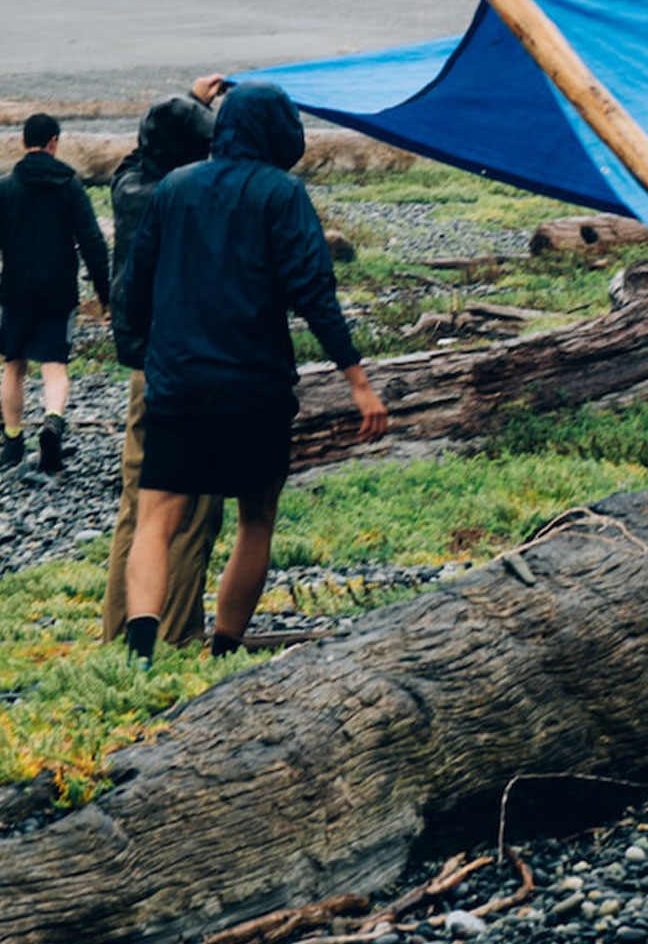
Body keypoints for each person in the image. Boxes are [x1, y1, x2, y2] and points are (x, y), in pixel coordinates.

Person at [122, 80, 387, 662]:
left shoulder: (174, 187)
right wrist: (358, 383)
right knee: (256, 519)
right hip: (255, 387)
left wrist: (145, 353)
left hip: (180, 384)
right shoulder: (281, 193)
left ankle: (140, 653)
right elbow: (314, 292)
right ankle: (224, 649)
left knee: (156, 519)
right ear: (278, 130)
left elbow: (135, 285)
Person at [101, 75, 228, 647]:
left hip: (142, 367)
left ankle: (117, 635)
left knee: (138, 507)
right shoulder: (187, 199)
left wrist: (190, 103)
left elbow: (142, 151)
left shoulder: (128, 187)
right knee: (189, 509)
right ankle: (173, 637)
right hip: (187, 365)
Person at [0, 112, 111, 473]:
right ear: (54, 143)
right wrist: (105, 293)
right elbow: (93, 242)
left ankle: (13, 441)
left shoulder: (6, 187)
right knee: (55, 367)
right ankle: (52, 423)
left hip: (15, 289)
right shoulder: (69, 186)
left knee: (13, 366)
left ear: (22, 142)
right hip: (58, 291)